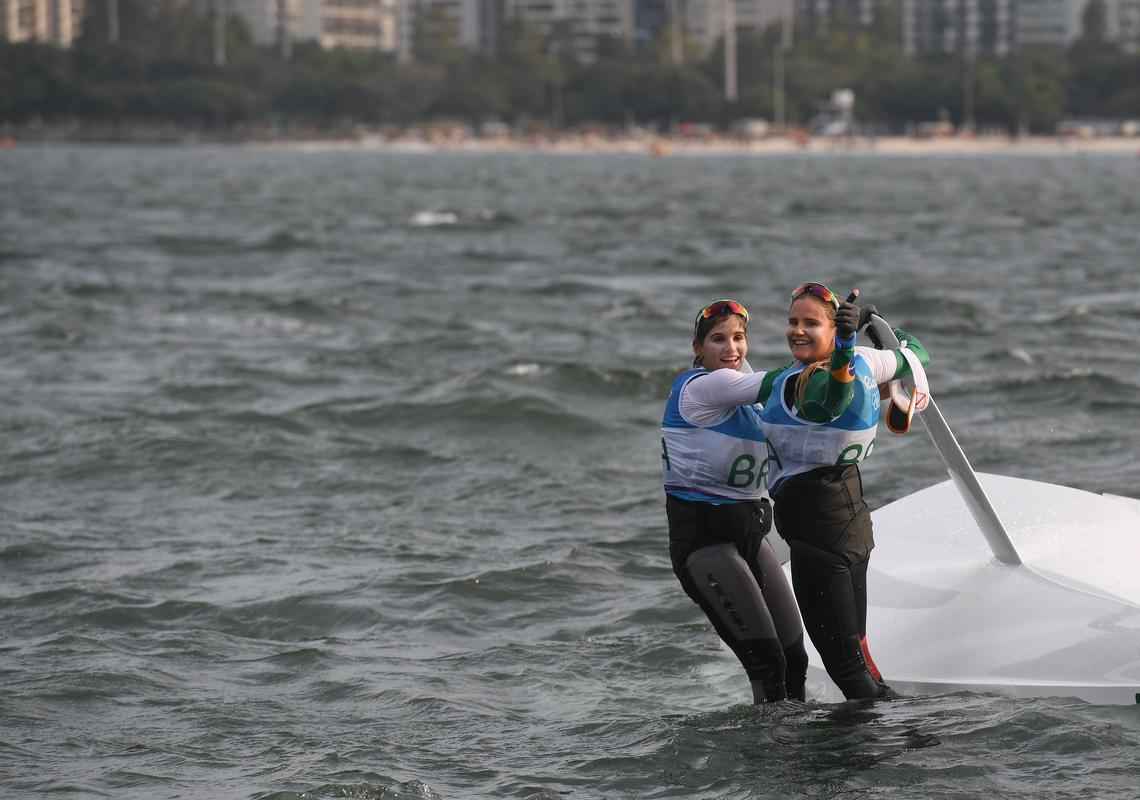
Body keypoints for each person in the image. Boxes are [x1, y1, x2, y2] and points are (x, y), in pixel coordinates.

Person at [755, 282, 930, 700]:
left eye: (811, 323)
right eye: (793, 321)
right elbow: (916, 356)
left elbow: (830, 402)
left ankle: (873, 757)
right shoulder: (869, 363)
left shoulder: (812, 380)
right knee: (859, 653)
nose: (798, 330)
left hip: (819, 535)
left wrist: (851, 340)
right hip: (850, 522)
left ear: (833, 331)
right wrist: (879, 328)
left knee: (845, 667)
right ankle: (902, 735)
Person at [661, 299, 808, 704]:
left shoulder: (749, 392)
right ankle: (768, 759)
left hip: (749, 535)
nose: (731, 348)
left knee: (795, 658)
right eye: (718, 339)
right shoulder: (701, 388)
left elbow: (811, 405)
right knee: (768, 664)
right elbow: (786, 381)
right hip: (705, 544)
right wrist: (839, 350)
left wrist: (883, 380)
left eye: (739, 338)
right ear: (698, 348)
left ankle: (804, 754)